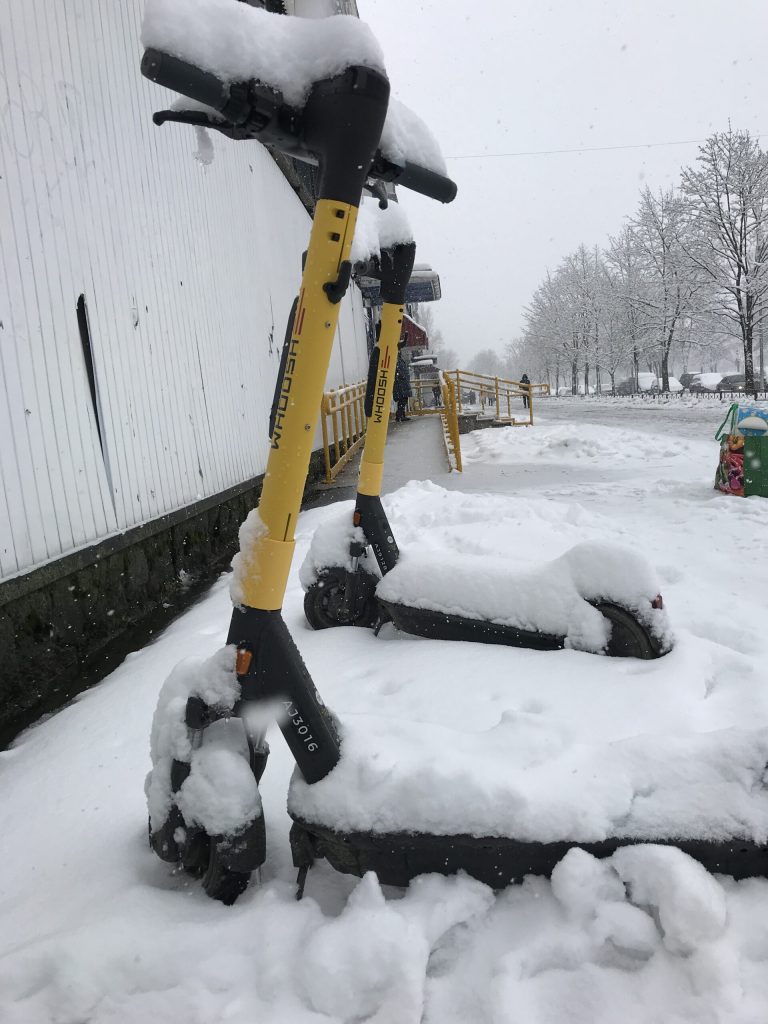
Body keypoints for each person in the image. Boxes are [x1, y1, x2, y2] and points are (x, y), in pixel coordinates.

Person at [393, 341, 412, 421]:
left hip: (402, 384)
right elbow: (398, 372)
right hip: (401, 384)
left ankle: (401, 415)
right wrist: (403, 377)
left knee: (403, 401)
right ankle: (400, 416)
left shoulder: (399, 360)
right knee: (402, 401)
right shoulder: (396, 361)